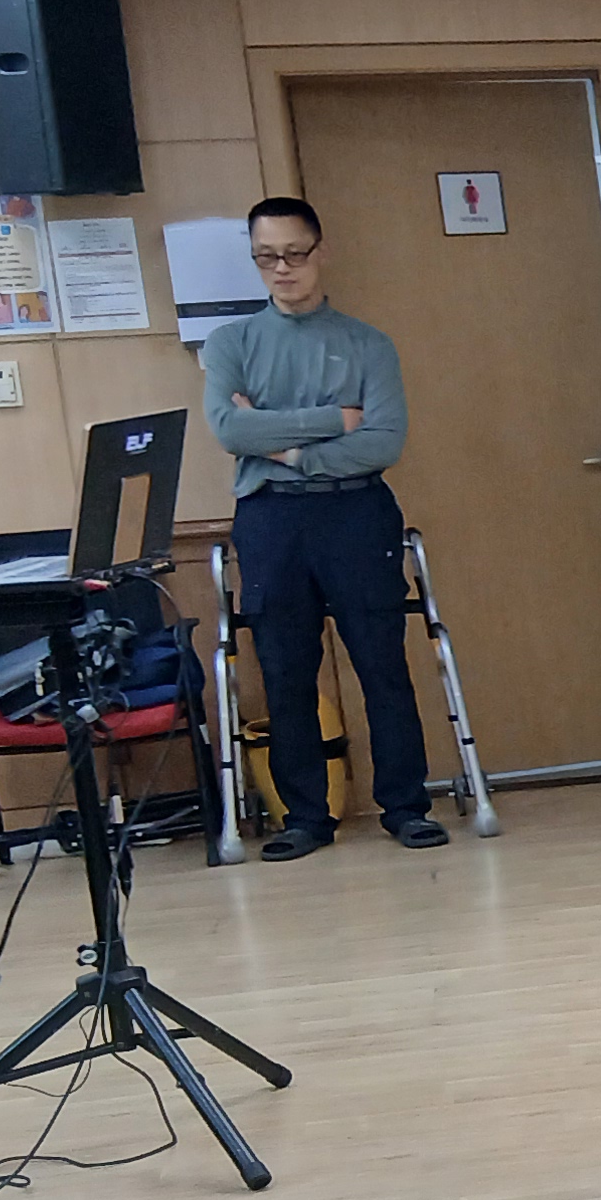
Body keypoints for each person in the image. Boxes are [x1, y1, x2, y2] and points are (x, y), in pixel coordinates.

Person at [200, 197, 444, 859]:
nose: (281, 269)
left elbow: (383, 442)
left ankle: (406, 806)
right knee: (285, 670)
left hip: (355, 511)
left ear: (321, 251)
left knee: (382, 665)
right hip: (271, 517)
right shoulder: (231, 343)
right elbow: (229, 430)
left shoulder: (368, 344)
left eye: (294, 254)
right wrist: (335, 421)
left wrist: (283, 447)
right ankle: (305, 817)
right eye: (265, 257)